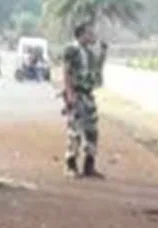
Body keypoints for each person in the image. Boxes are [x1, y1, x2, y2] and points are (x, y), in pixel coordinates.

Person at [62, 22, 109, 179]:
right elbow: (67, 72)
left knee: (92, 131)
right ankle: (71, 165)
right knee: (75, 131)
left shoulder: (88, 53)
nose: (92, 36)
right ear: (81, 34)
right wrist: (69, 94)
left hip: (88, 95)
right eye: (89, 33)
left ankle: (89, 165)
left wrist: (103, 53)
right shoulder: (72, 51)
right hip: (77, 93)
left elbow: (96, 70)